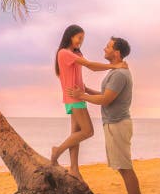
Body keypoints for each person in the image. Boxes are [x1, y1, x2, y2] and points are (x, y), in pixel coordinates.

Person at [68, 36, 150, 194]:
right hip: (115, 123)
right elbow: (106, 96)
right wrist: (87, 91)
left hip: (118, 124)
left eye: (108, 47)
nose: (104, 49)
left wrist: (82, 96)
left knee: (125, 168)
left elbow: (105, 100)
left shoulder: (119, 74)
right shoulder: (115, 72)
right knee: (124, 168)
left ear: (117, 53)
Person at [50, 25, 127, 181]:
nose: (80, 41)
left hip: (76, 96)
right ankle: (57, 150)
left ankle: (74, 169)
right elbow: (91, 66)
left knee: (76, 135)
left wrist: (90, 91)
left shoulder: (75, 53)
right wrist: (114, 66)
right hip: (75, 98)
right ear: (70, 36)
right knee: (88, 131)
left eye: (82, 39)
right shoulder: (64, 53)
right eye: (79, 37)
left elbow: (81, 80)